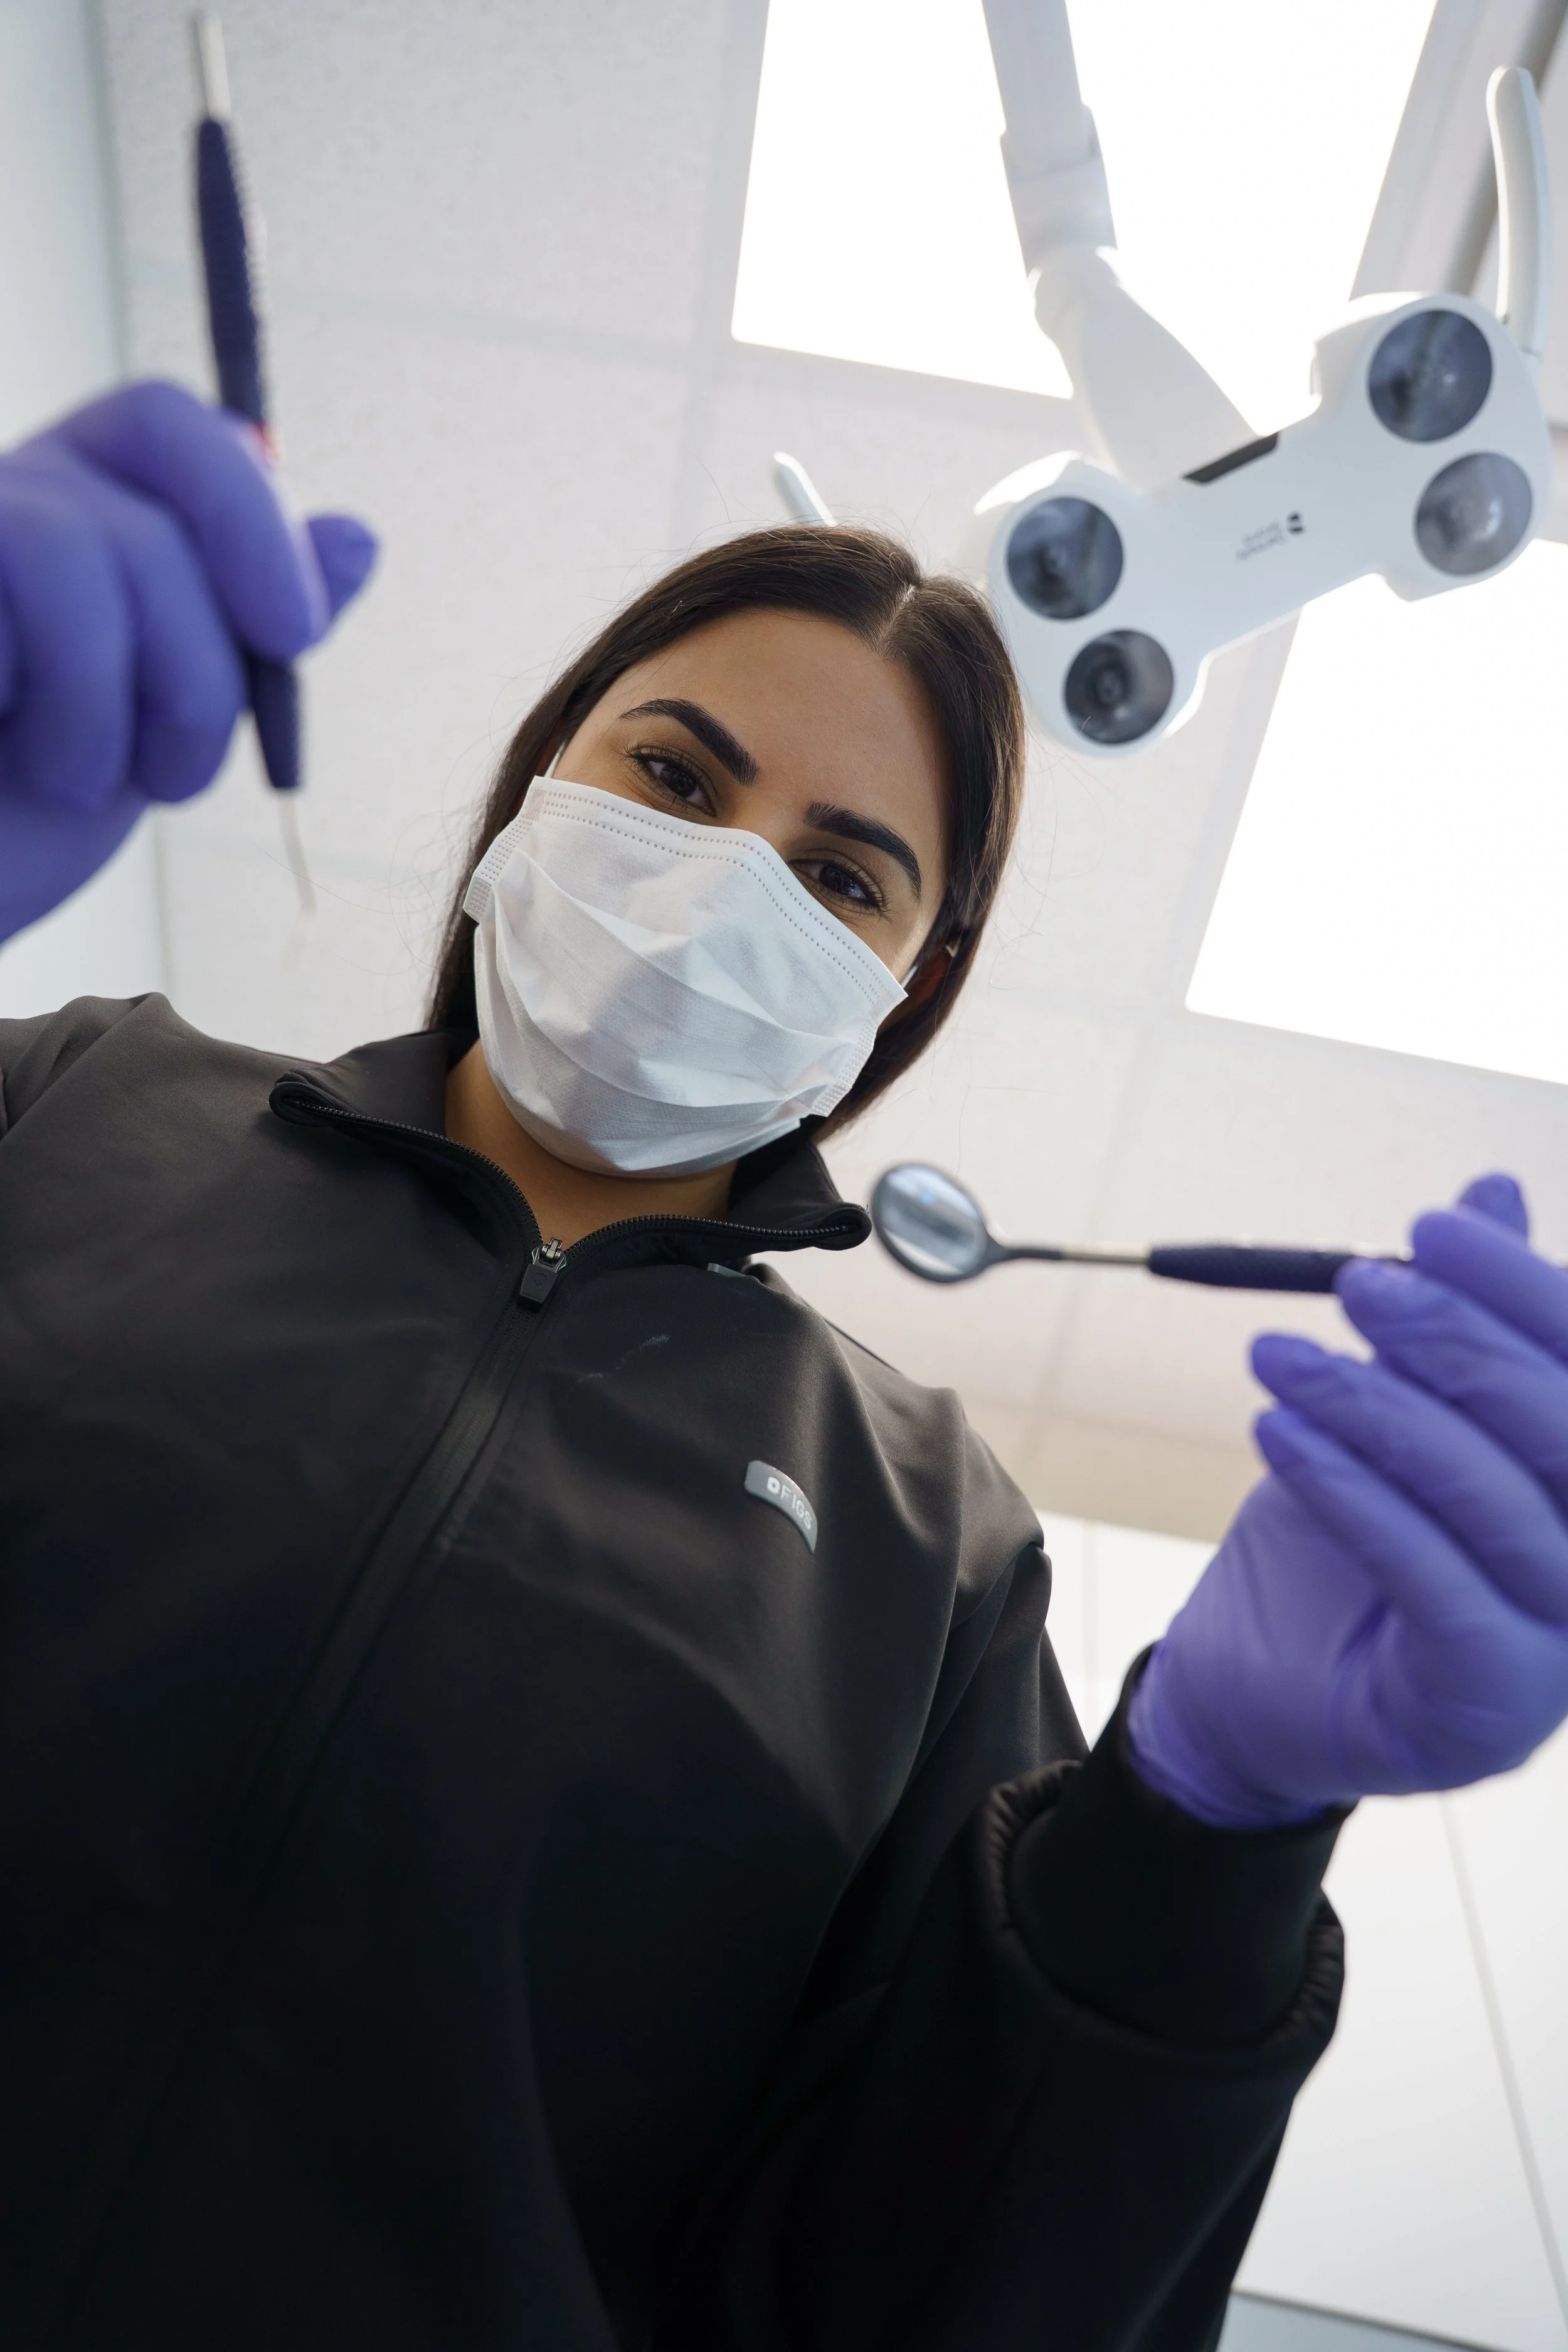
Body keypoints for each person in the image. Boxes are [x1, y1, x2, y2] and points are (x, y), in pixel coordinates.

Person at [3, 382, 1567, 2352]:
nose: (726, 876)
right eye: (671, 772)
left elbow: (930, 2293)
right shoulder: (79, 1101)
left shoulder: (927, 1552)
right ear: (532, 791)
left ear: (894, 995)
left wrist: (1198, 1848)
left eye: (839, 876)